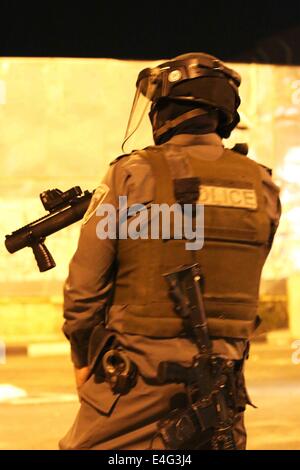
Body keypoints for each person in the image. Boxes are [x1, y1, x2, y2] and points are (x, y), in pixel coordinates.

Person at [59, 53, 281, 450]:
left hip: (133, 390)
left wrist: (83, 361)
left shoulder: (131, 174)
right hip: (222, 399)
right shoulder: (261, 186)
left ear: (165, 110)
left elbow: (83, 291)